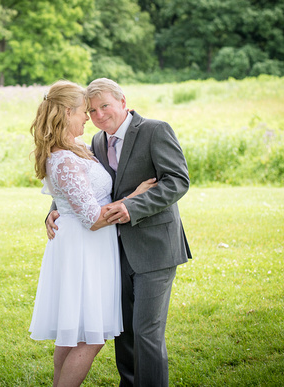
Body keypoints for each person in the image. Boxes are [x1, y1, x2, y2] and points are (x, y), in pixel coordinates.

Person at [46, 78, 192, 387]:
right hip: (113, 251)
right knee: (123, 334)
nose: (98, 115)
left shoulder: (155, 130)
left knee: (146, 333)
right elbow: (83, 190)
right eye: (92, 109)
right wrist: (56, 209)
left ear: (123, 101)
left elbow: (177, 181)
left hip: (154, 247)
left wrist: (134, 206)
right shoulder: (96, 142)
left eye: (105, 106)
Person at [29, 80, 157, 387]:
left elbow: (77, 197)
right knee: (92, 336)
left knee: (75, 333)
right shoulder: (62, 157)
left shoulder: (78, 148)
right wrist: (134, 197)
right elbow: (93, 218)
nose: (88, 117)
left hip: (90, 247)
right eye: (83, 111)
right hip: (84, 248)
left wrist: (57, 207)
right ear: (67, 113)